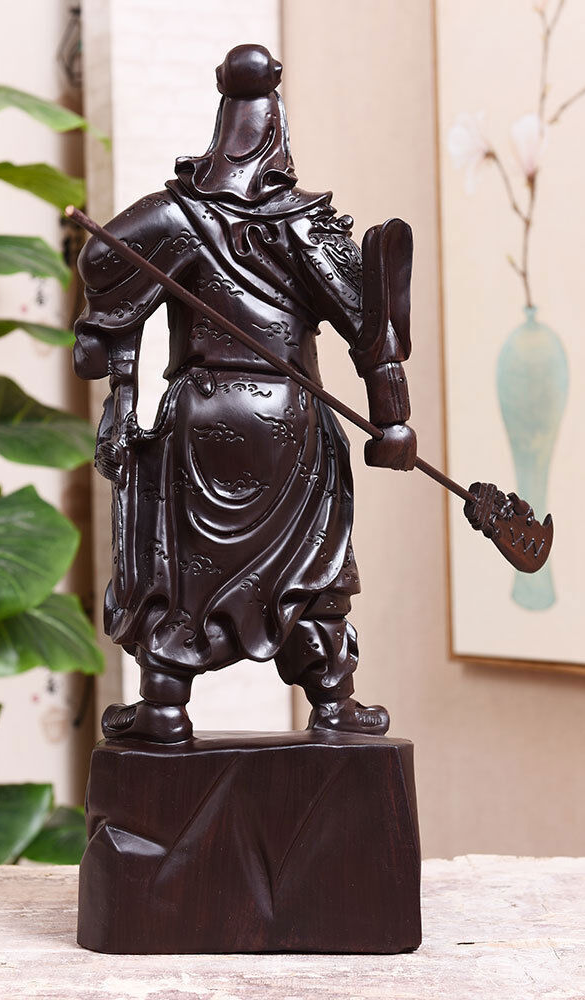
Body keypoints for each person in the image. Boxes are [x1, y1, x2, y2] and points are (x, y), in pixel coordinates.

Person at [73, 43, 417, 742]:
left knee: (182, 570)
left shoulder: (175, 216)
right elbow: (369, 325)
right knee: (310, 565)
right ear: (276, 125)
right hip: (290, 418)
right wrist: (393, 420)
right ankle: (332, 700)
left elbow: (100, 261)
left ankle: (165, 706)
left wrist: (118, 375)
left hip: (203, 416)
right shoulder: (305, 223)